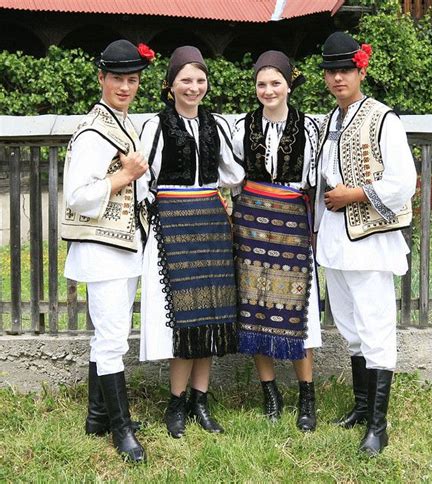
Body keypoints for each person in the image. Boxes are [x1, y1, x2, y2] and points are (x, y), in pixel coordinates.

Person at [314, 32, 417, 455]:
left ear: (361, 70)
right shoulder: (328, 122)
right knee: (350, 327)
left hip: (371, 242)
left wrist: (353, 194)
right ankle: (361, 407)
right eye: (331, 71)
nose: (338, 77)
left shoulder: (382, 119)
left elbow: (403, 184)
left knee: (376, 328)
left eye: (346, 70)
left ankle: (378, 425)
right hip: (336, 241)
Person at [139, 46, 245, 439]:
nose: (194, 87)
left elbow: (234, 172)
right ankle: (177, 403)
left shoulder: (215, 124)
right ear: (170, 85)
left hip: (212, 225)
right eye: (186, 79)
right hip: (174, 227)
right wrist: (157, 210)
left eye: (200, 80)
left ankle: (201, 401)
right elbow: (142, 177)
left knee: (211, 317)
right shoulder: (155, 125)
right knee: (184, 321)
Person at [62, 39, 155, 463]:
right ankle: (122, 430)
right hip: (104, 250)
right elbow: (77, 197)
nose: (125, 86)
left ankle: (97, 417)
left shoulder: (121, 123)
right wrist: (125, 176)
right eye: (117, 78)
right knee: (113, 340)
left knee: (107, 334)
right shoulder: (93, 132)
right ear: (101, 78)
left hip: (122, 245)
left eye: (132, 79)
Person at [232, 51, 322, 432]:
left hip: (291, 220)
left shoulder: (310, 128)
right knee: (254, 305)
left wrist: (314, 229)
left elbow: (316, 184)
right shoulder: (241, 127)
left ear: (289, 84)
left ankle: (306, 394)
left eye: (275, 83)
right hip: (251, 221)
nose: (268, 90)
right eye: (261, 84)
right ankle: (269, 392)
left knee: (299, 308)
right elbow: (231, 174)